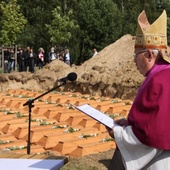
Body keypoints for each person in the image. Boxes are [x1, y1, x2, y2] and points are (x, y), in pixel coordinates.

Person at [106, 10, 170, 170]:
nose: (134, 61)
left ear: (149, 54)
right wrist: (129, 124)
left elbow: (152, 134)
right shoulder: (164, 74)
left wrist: (120, 134)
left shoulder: (158, 81)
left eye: (136, 55)